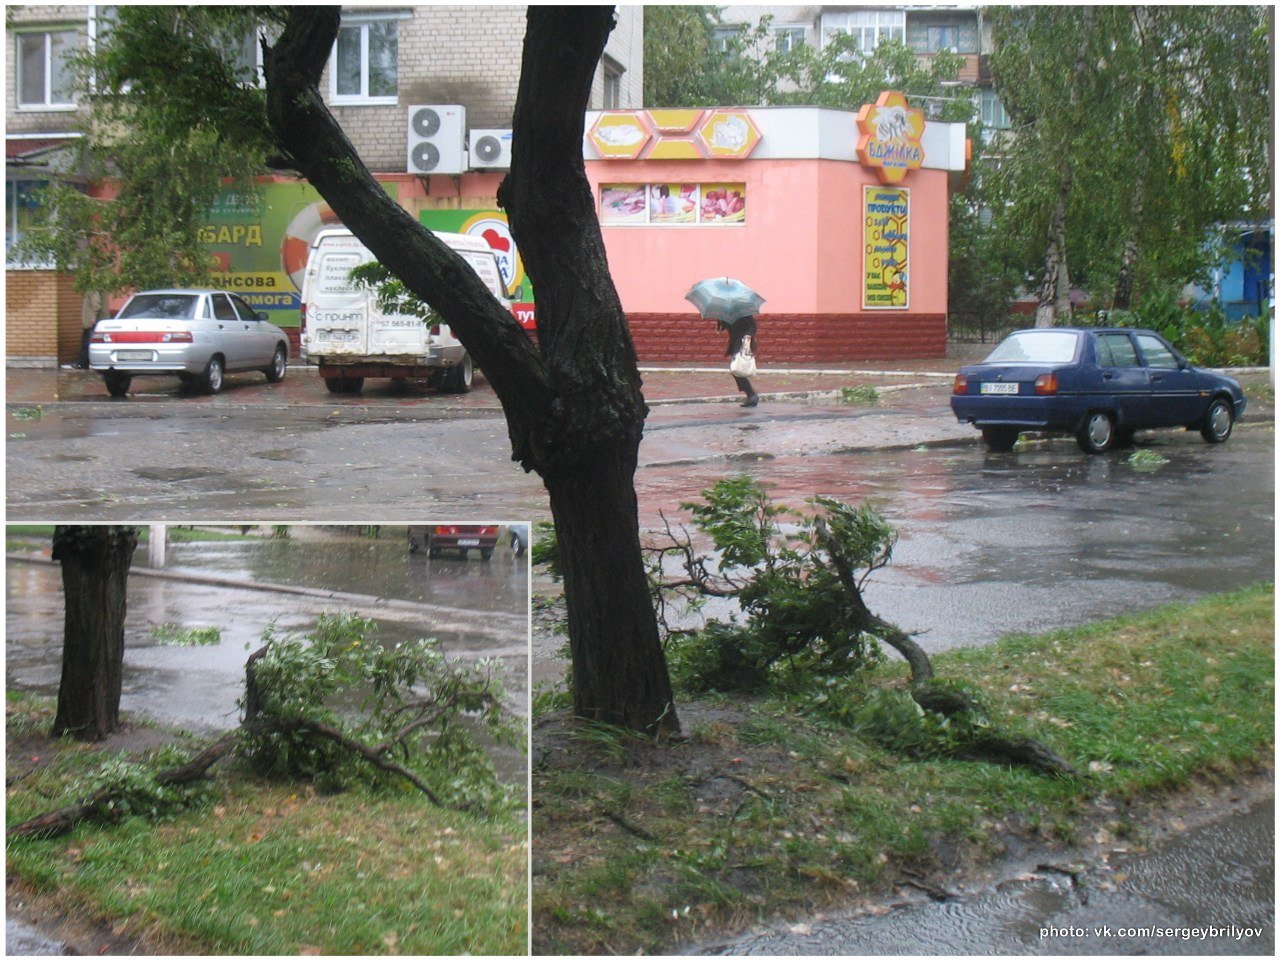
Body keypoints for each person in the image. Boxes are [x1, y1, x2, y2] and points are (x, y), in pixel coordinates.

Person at [718, 314, 758, 407]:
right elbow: (722, 328)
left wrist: (747, 336)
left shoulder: (744, 313)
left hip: (743, 343)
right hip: (735, 342)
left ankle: (751, 394)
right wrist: (720, 320)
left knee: (736, 368)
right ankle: (751, 395)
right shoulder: (727, 313)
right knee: (736, 369)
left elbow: (753, 327)